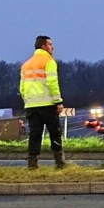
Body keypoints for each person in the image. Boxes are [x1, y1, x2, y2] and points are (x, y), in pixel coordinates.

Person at [20, 35, 65, 169]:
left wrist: (27, 101)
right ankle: (59, 162)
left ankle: (32, 164)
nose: (53, 47)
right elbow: (52, 83)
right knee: (55, 133)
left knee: (34, 135)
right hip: (48, 105)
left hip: (31, 106)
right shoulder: (49, 61)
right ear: (44, 46)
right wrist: (58, 101)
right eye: (50, 44)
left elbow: (22, 88)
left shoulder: (26, 65)